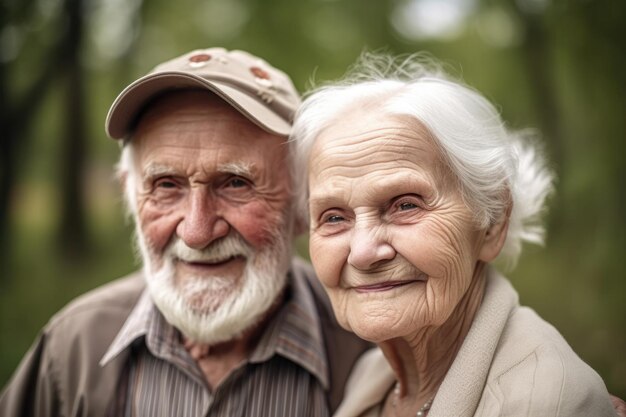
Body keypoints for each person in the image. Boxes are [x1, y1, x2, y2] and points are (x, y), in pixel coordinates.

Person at [0, 47, 371, 417]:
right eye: (166, 184)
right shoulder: (73, 348)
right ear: (130, 194)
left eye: (236, 183)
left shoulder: (370, 354)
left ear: (304, 205)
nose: (196, 232)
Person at [291, 52, 618, 417]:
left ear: (492, 221)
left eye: (405, 205)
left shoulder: (547, 402)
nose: (363, 252)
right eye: (334, 217)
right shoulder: (374, 375)